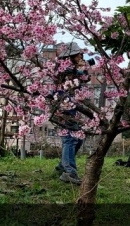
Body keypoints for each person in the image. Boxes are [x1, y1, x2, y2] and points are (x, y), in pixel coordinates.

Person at [52, 42, 88, 185]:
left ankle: (62, 166)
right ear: (71, 55)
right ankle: (69, 172)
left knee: (78, 138)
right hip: (63, 105)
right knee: (70, 138)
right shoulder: (64, 68)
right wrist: (80, 68)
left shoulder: (73, 67)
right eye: (79, 54)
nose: (81, 56)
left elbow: (84, 79)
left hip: (71, 105)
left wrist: (81, 68)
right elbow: (76, 82)